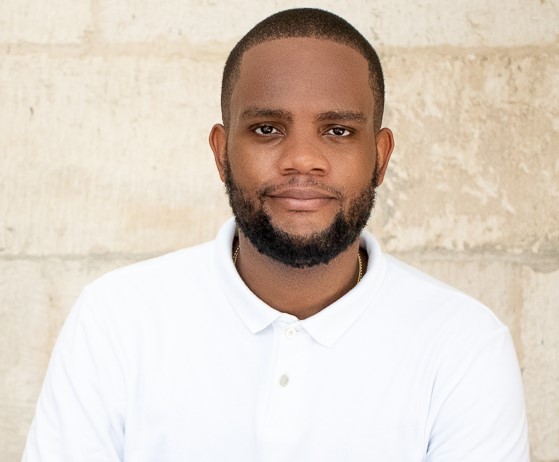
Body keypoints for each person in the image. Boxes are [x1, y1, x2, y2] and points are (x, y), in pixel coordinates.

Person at [23, 8, 529, 461]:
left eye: (338, 131)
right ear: (221, 153)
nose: (302, 160)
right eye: (267, 129)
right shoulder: (117, 319)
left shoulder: (463, 345)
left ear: (380, 157)